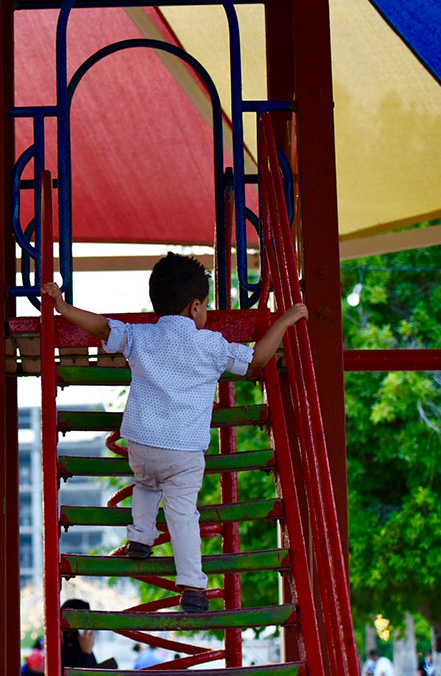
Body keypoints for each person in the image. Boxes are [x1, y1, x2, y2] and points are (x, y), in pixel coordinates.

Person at [43, 253, 308, 612]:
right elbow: (256, 360)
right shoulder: (210, 345)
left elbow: (102, 327)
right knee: (183, 515)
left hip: (141, 443)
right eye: (206, 306)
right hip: (183, 452)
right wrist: (286, 320)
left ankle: (140, 538)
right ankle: (193, 587)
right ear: (194, 306)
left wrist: (63, 307)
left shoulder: (141, 336)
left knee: (146, 484)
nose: (207, 312)